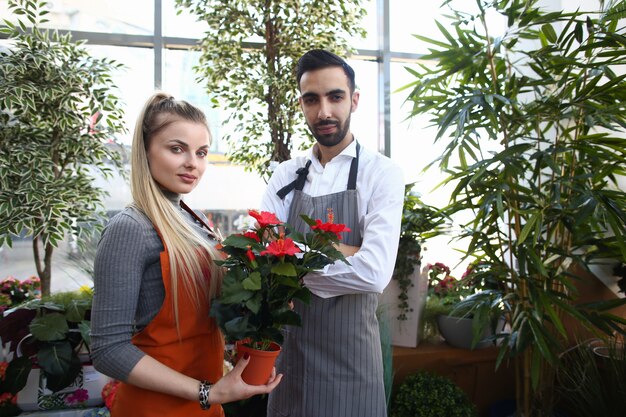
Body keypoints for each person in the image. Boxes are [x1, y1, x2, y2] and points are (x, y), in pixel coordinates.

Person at [91, 92, 282, 417]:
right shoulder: (131, 228)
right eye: (176, 148)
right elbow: (108, 350)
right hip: (156, 408)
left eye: (202, 152)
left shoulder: (197, 222)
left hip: (204, 405)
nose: (193, 163)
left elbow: (208, 314)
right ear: (146, 150)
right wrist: (207, 391)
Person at [260, 49, 404, 417]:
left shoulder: (381, 173)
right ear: (301, 105)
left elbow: (374, 273)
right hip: (289, 362)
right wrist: (348, 250)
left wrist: (291, 261)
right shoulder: (284, 176)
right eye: (312, 99)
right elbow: (262, 261)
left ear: (354, 100)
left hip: (352, 365)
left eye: (335, 96)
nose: (324, 111)